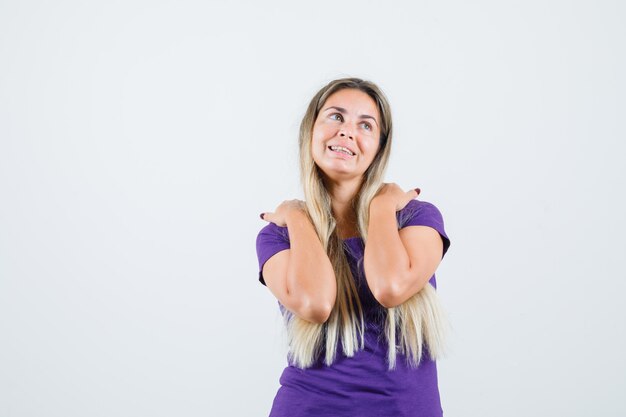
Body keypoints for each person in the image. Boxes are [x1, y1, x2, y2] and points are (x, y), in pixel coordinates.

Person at [255, 77, 452, 417]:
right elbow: (315, 304)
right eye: (335, 117)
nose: (346, 132)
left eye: (365, 125)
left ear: (378, 148)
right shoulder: (280, 235)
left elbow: (390, 287)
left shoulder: (416, 218)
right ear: (311, 131)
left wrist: (379, 207)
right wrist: (300, 216)